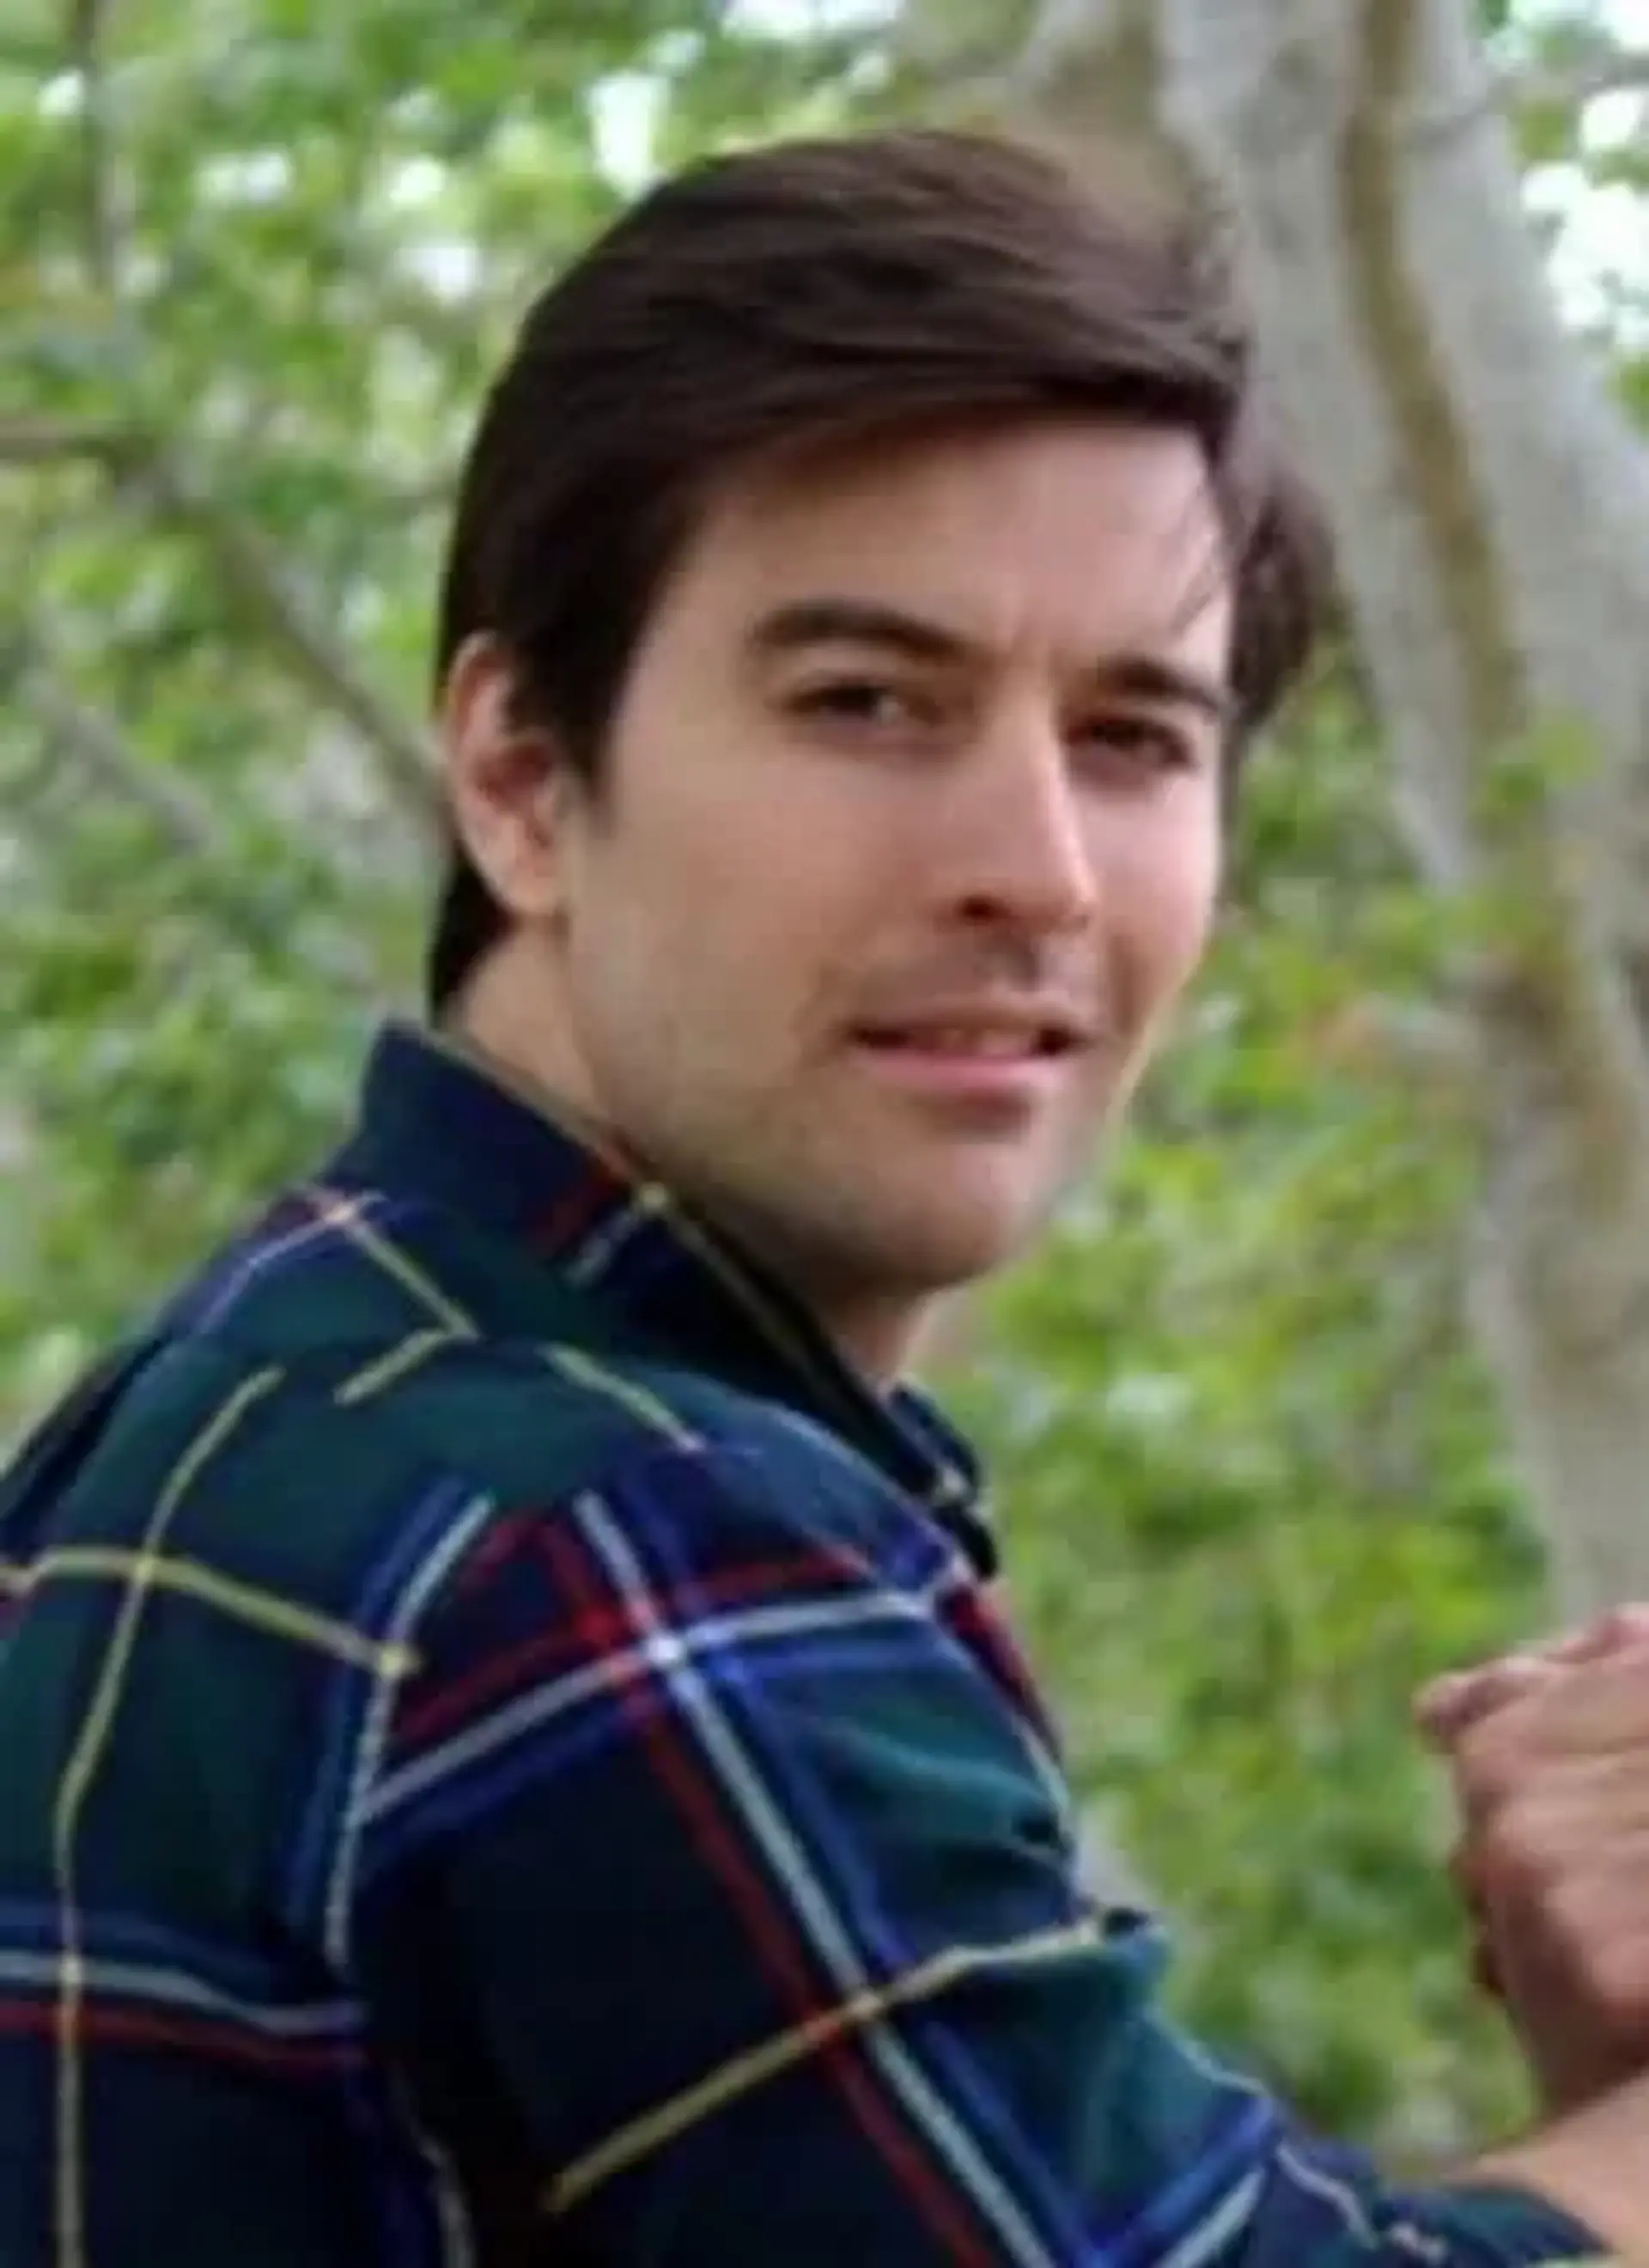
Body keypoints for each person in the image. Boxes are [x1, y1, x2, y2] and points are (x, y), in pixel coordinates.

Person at [0, 125, 1635, 2266]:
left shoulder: (274, 1390)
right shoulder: (598, 1531)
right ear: (520, 778)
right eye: (868, 703)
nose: (1038, 872)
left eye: (1135, 737)